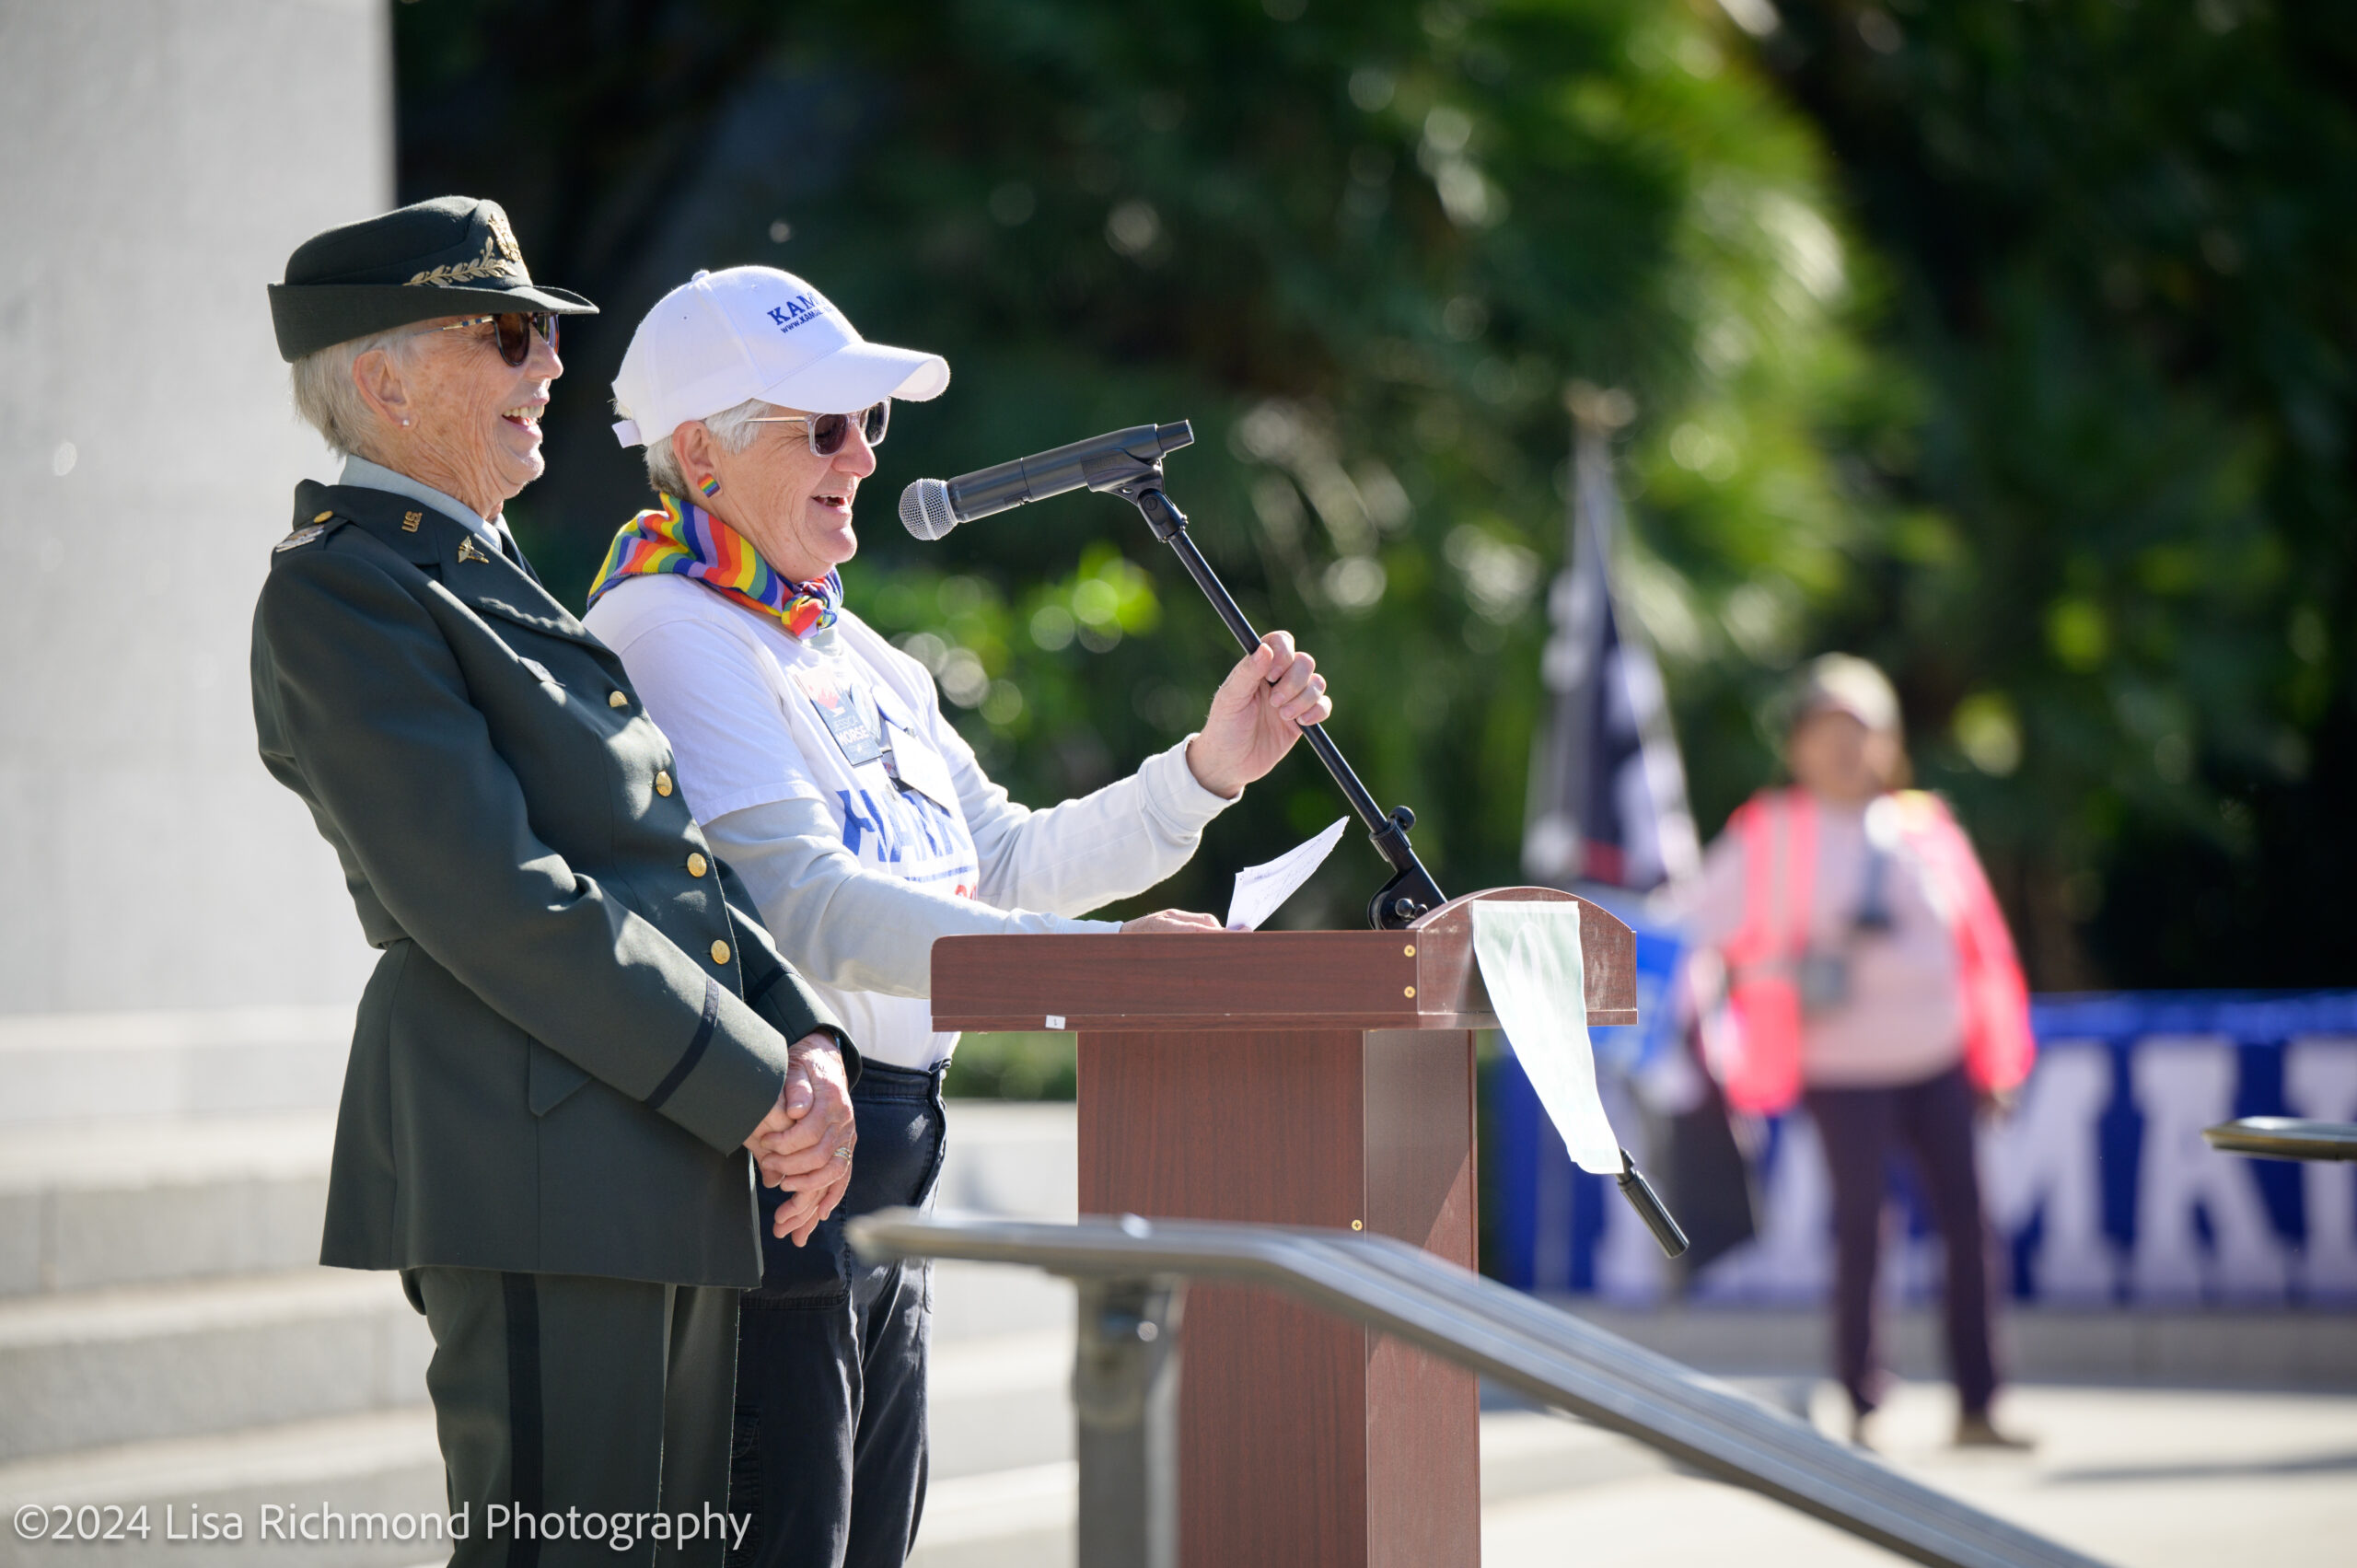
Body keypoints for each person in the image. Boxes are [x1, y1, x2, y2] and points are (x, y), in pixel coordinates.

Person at [583, 265, 1332, 1568]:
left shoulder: (855, 646)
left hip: (887, 1169)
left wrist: (1208, 770)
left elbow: (1000, 856)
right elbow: (806, 905)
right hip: (781, 1169)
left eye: (872, 423)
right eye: (823, 426)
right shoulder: (662, 624)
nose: (863, 456)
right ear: (696, 453)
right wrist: (1106, 972)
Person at [254, 200, 864, 1566]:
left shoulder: (479, 572)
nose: (549, 369)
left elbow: (670, 850)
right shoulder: (343, 592)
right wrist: (755, 1078)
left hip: (646, 1153)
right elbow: (501, 897)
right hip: (533, 1152)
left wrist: (803, 1031)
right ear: (384, 375)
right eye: (513, 334)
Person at [1680, 654, 2035, 1449]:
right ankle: (1865, 1402)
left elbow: (1980, 948)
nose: (1846, 748)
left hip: (1940, 1056)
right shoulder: (1767, 829)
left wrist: (1997, 1058)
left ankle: (1982, 1403)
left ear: (1891, 741)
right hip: (1839, 1069)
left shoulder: (1927, 827)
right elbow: (1696, 927)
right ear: (1798, 744)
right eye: (1827, 730)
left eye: (1862, 730)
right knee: (1859, 1230)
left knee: (1971, 1227)